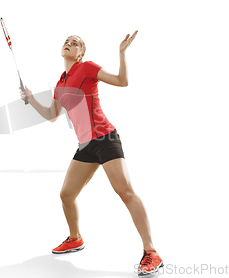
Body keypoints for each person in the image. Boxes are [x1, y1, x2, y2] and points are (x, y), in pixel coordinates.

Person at [18, 32, 163, 275]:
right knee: (66, 194)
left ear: (81, 53)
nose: (68, 44)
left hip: (105, 138)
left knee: (125, 192)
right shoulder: (61, 82)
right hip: (85, 145)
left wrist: (122, 53)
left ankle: (151, 252)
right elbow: (53, 116)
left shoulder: (86, 68)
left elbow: (121, 81)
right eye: (66, 41)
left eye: (74, 43)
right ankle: (75, 238)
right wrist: (31, 99)